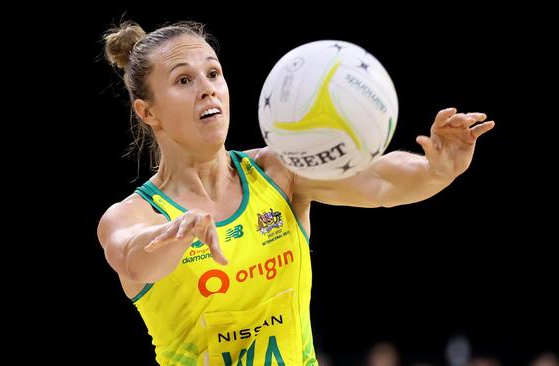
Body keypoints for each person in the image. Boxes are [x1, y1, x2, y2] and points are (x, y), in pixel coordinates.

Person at [97, 20, 495, 366]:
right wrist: (174, 233)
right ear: (147, 112)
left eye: (214, 74)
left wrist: (436, 169)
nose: (208, 90)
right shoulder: (136, 216)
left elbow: (381, 182)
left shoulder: (277, 171)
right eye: (184, 80)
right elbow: (134, 261)